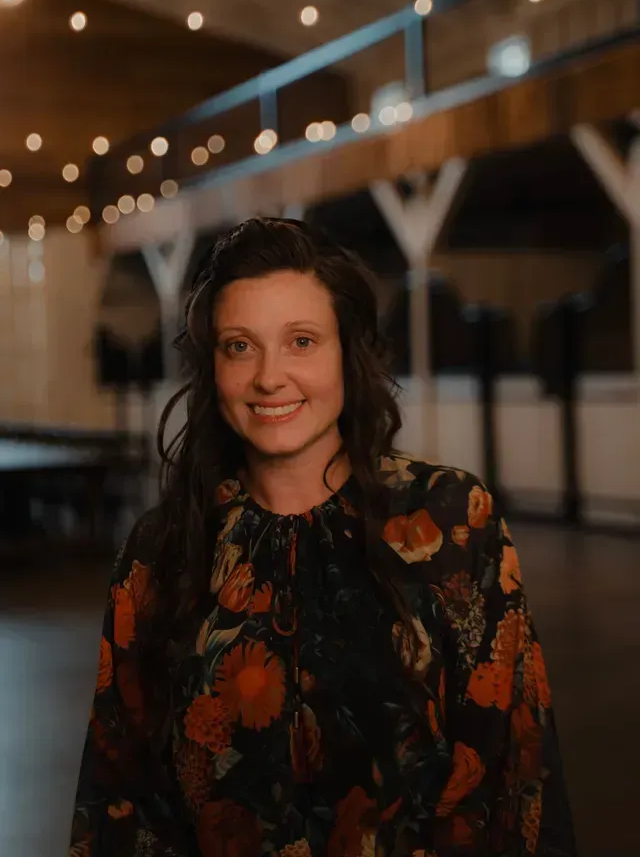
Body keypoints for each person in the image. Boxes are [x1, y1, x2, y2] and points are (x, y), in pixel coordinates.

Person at [69, 217, 576, 857]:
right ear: (212, 367)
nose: (269, 377)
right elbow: (120, 798)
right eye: (239, 346)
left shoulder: (449, 522)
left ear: (349, 352)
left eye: (302, 341)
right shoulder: (159, 551)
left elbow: (518, 771)